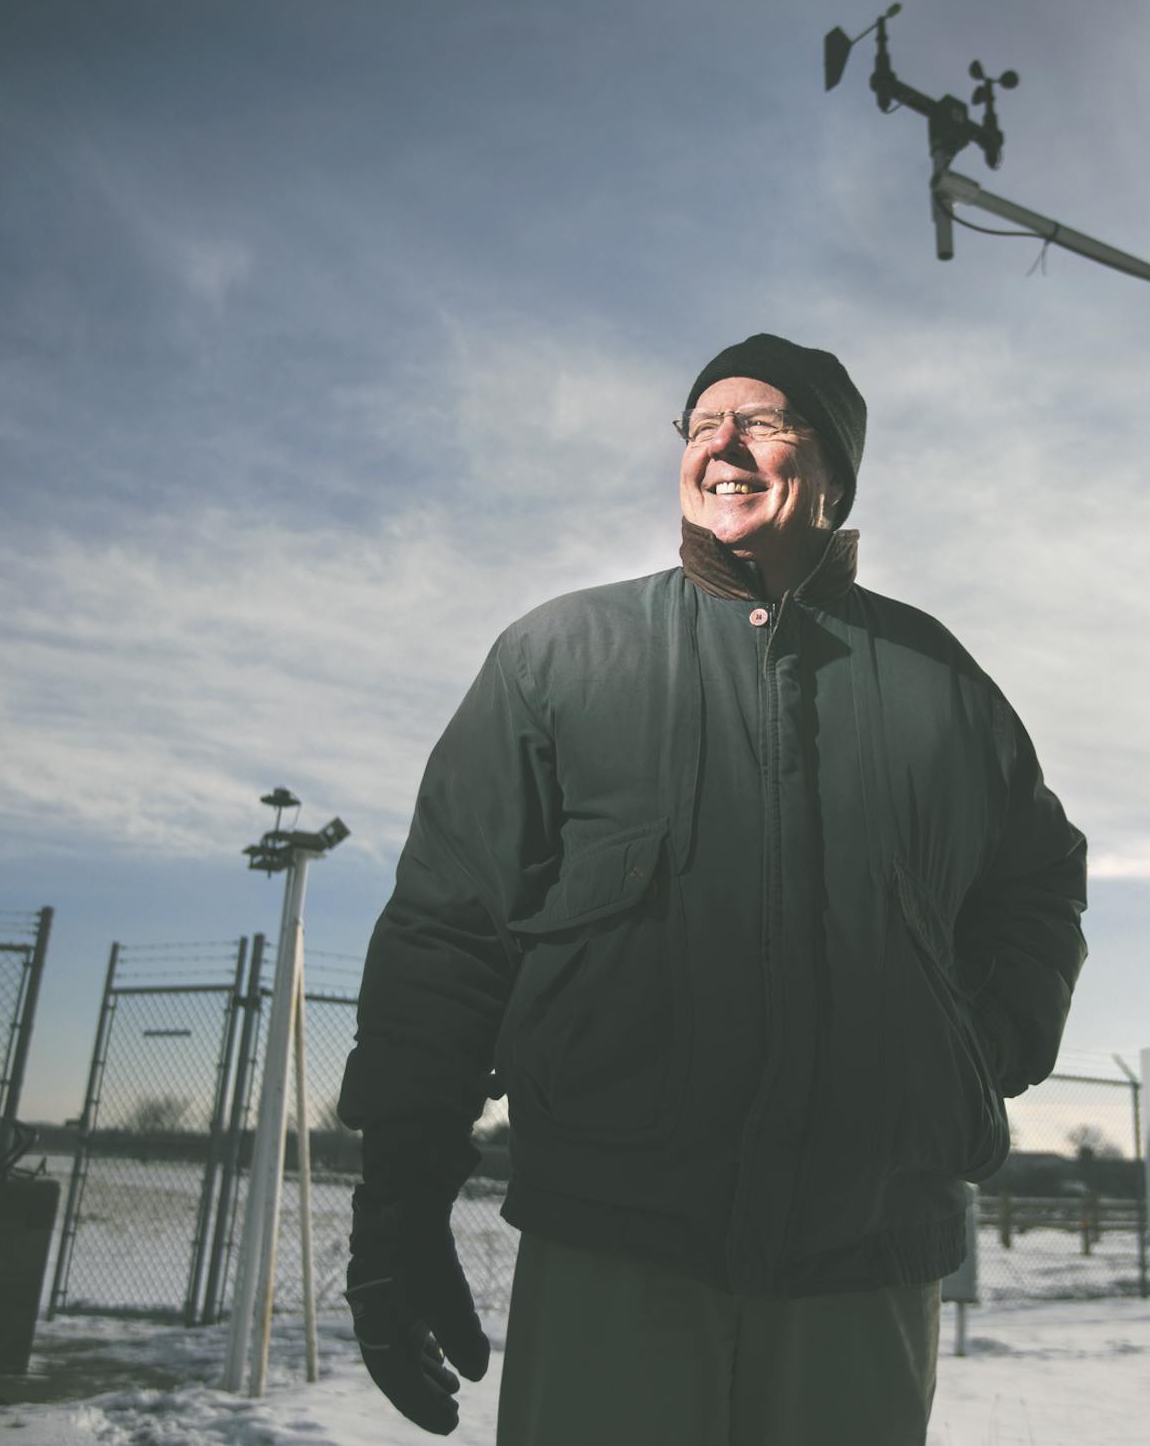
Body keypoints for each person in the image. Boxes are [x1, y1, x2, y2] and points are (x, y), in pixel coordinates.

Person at [336, 332, 1088, 1445]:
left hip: (865, 1263)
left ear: (831, 471)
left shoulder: (945, 684)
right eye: (701, 424)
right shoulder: (559, 656)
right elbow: (448, 932)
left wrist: (979, 1046)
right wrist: (397, 1199)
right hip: (613, 1250)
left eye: (765, 421)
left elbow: (1036, 890)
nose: (724, 442)